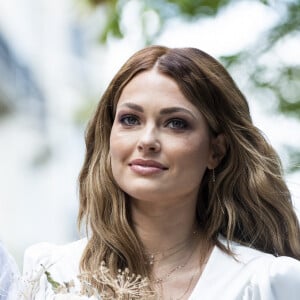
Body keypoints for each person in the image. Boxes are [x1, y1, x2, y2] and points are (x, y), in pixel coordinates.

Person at [23, 45, 300, 299]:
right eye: (130, 120)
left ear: (216, 151)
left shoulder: (262, 283)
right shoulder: (52, 272)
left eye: (176, 123)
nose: (147, 140)